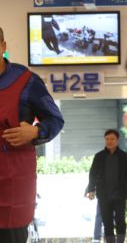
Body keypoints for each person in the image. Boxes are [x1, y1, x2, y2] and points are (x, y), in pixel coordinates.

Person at [0, 27, 64, 243]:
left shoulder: (27, 81)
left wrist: (35, 131)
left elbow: (55, 119)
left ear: (3, 47)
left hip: (12, 188)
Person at [85, 129, 127, 243]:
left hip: (120, 195)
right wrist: (91, 190)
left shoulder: (124, 156)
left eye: (112, 139)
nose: (109, 141)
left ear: (117, 140)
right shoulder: (99, 156)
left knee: (120, 220)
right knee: (107, 222)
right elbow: (93, 174)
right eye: (107, 139)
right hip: (104, 195)